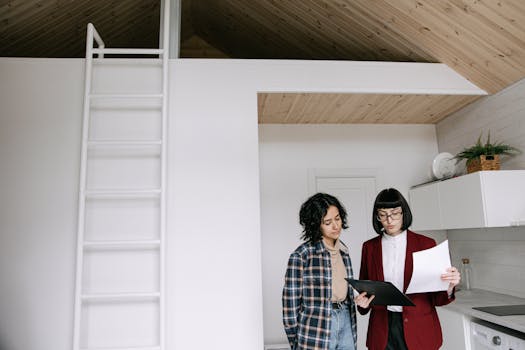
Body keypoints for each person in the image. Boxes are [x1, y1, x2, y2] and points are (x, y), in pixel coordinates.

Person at [354, 188, 461, 350]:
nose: (389, 220)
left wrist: (450, 286)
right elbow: (365, 291)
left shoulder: (426, 244)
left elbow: (438, 299)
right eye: (383, 214)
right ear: (377, 217)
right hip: (383, 330)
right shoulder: (369, 247)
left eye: (395, 213)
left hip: (419, 330)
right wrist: (362, 303)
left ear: (404, 213)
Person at [282, 193, 357, 350]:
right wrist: (297, 343)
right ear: (316, 225)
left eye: (337, 218)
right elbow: (290, 308)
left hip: (345, 318)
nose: (336, 226)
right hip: (316, 328)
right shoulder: (302, 255)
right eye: (328, 222)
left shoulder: (344, 251)